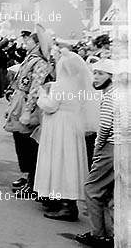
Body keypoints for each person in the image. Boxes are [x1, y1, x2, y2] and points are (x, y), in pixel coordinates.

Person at [33, 50, 96, 221]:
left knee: (57, 160)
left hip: (59, 126)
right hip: (73, 125)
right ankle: (65, 200)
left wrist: (42, 94)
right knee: (69, 161)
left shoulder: (60, 85)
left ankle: (64, 204)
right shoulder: (79, 84)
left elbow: (51, 105)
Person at [4, 29, 51, 196]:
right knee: (20, 141)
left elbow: (35, 89)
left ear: (37, 44)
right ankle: (28, 176)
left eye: (29, 40)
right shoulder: (30, 59)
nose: (25, 42)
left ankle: (33, 182)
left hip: (27, 106)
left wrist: (27, 111)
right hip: (19, 103)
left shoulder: (40, 63)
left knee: (28, 143)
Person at [76, 59, 117, 248]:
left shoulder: (110, 96)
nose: (96, 77)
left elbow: (105, 127)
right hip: (121, 148)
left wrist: (97, 149)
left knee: (92, 189)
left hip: (111, 148)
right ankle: (113, 235)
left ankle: (98, 235)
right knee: (110, 194)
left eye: (101, 73)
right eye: (95, 73)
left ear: (111, 76)